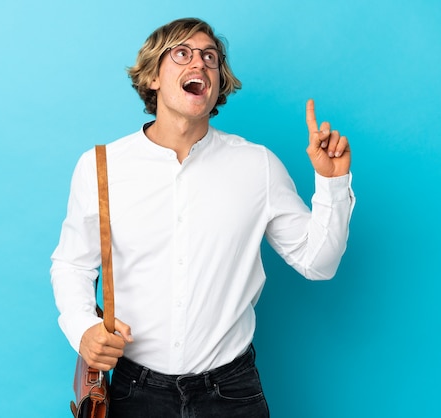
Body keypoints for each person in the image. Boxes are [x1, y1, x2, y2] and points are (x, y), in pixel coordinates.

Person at [51, 17, 354, 417]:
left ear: (217, 84)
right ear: (153, 77)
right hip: (132, 391)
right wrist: (82, 328)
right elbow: (72, 264)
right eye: (182, 53)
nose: (199, 64)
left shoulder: (257, 166)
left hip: (231, 391)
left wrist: (332, 184)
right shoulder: (100, 166)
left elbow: (320, 263)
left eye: (210, 57)